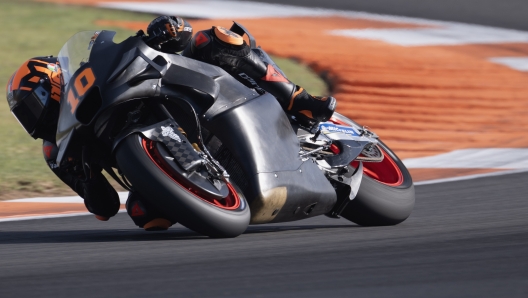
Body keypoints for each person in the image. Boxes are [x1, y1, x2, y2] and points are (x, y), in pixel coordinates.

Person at [6, 15, 336, 231]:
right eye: (27, 116)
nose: (36, 119)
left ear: (56, 81)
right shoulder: (58, 153)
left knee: (213, 40)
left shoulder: (93, 73)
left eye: (34, 105)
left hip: (203, 93)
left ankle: (295, 97)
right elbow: (104, 207)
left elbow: (167, 39)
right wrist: (88, 178)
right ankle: (215, 197)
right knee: (143, 215)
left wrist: (168, 30)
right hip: (164, 166)